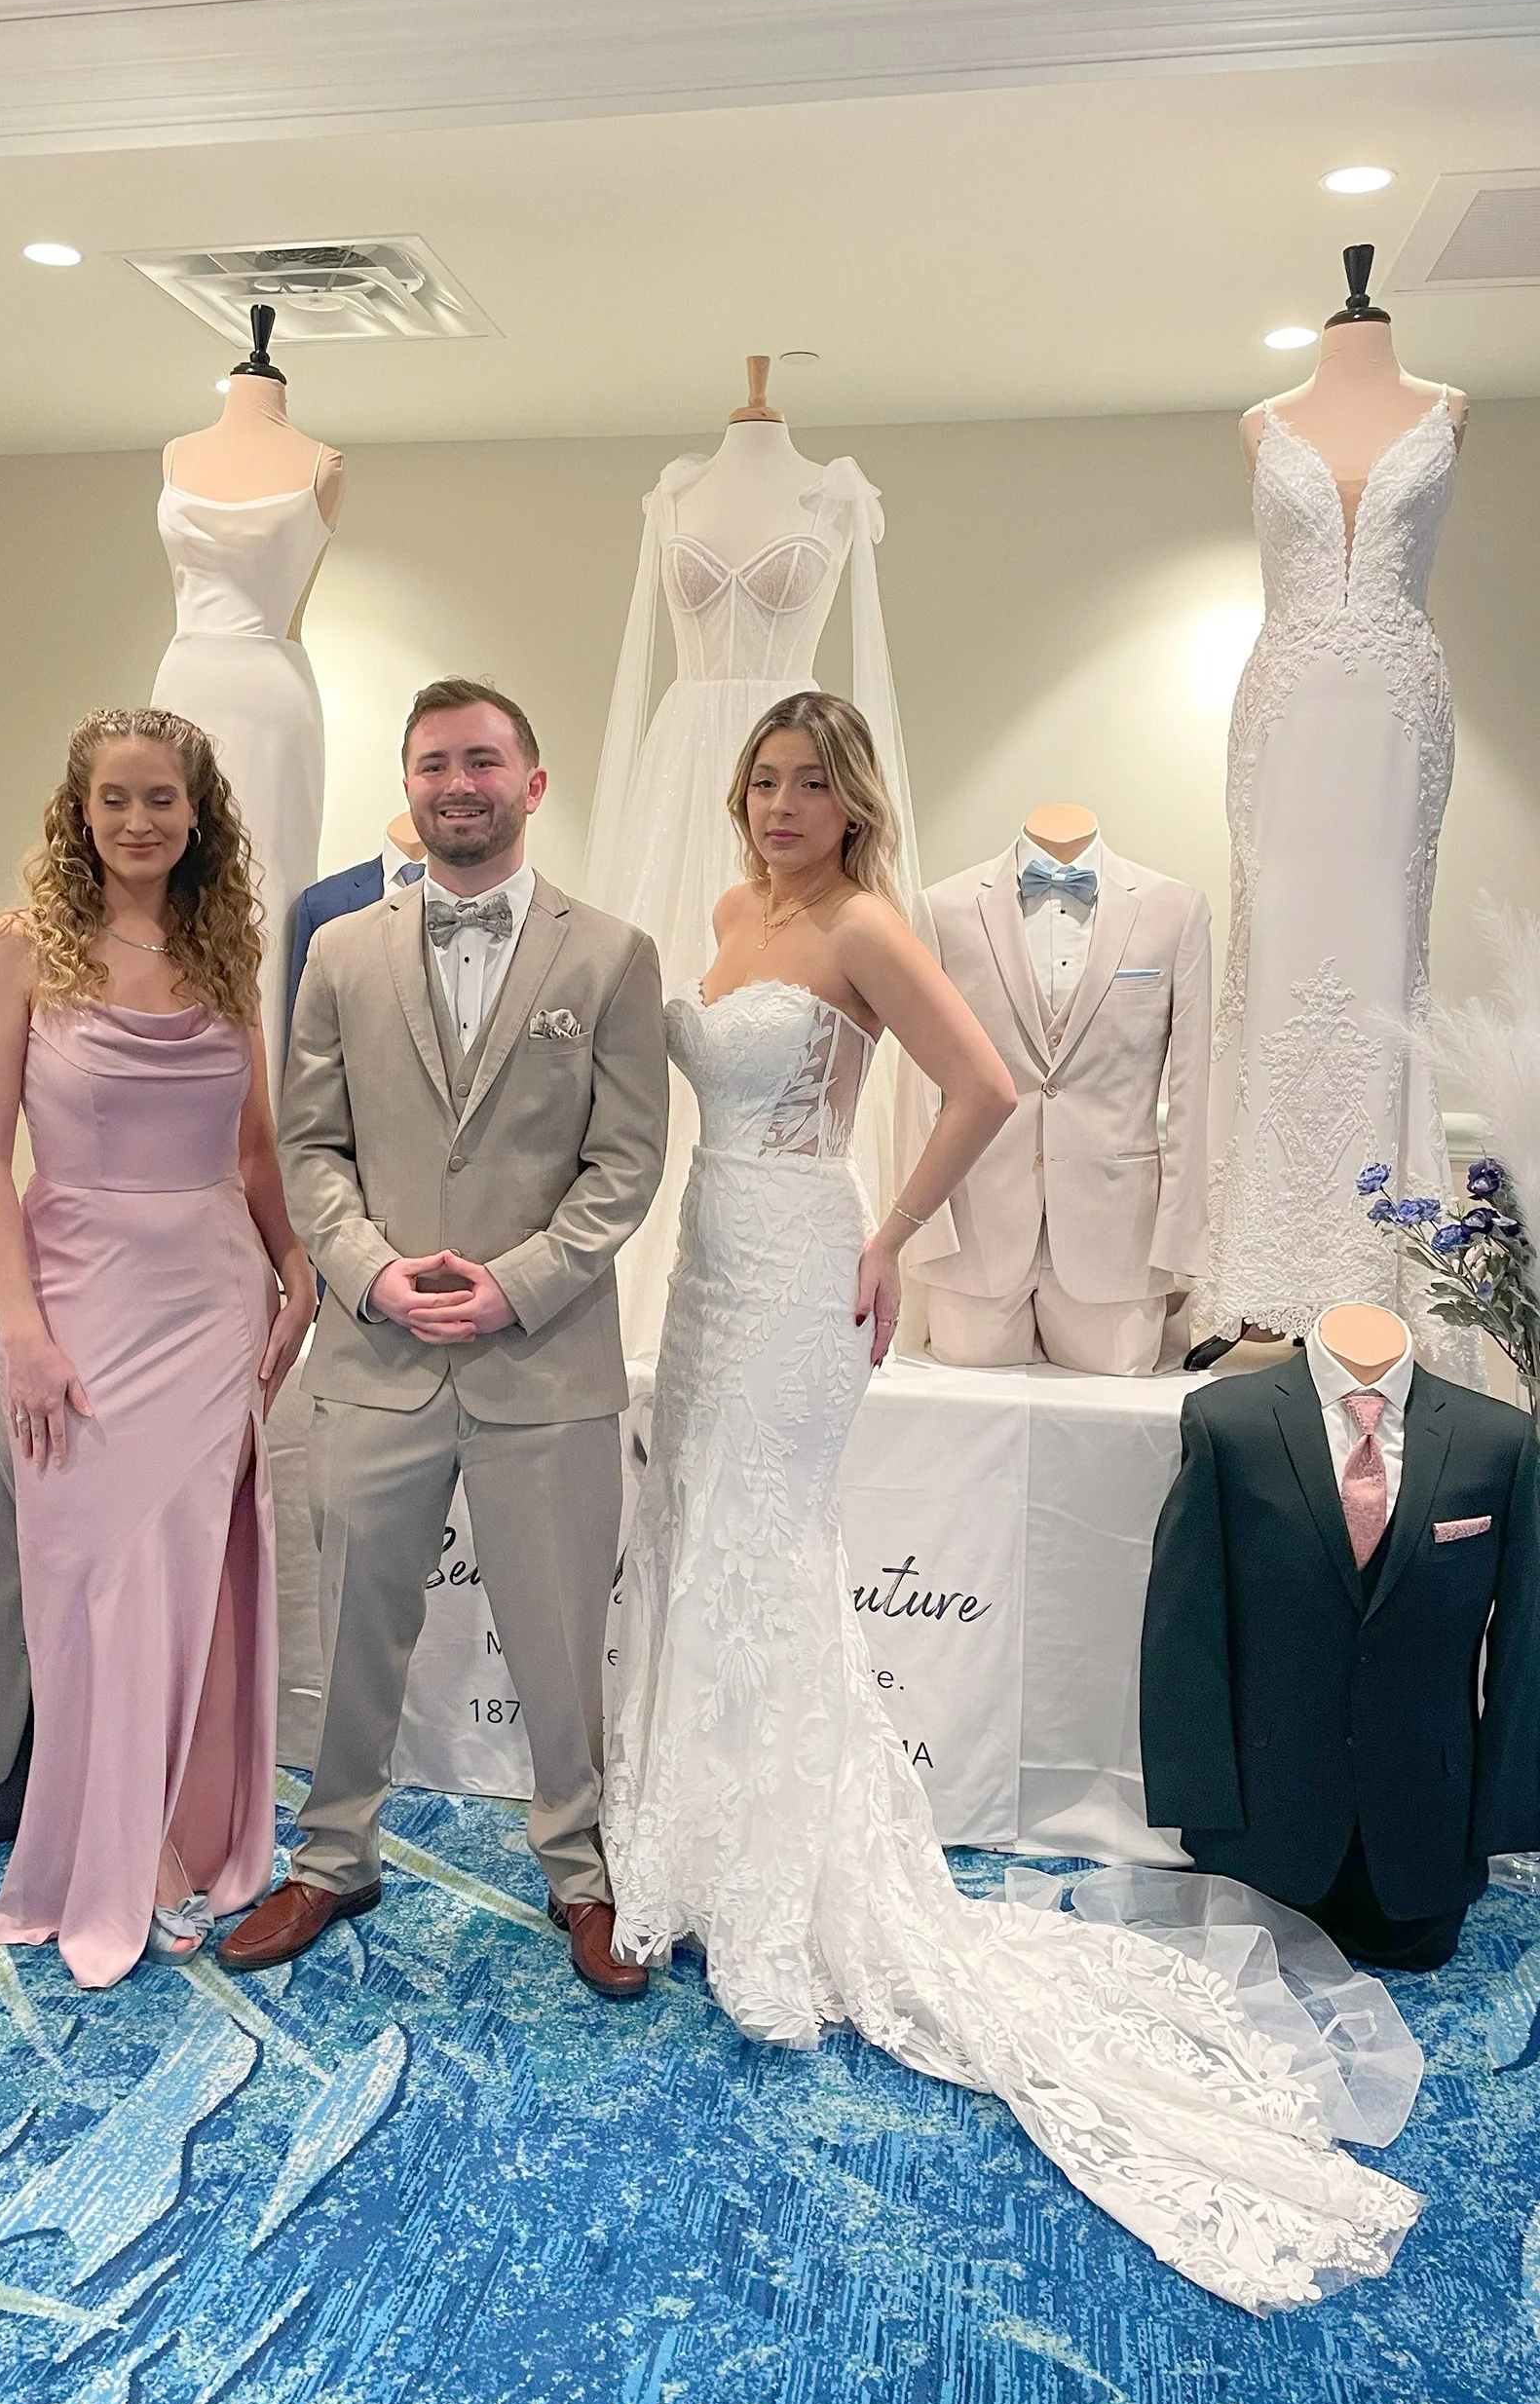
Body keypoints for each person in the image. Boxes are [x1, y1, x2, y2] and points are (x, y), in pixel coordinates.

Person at [603, 691, 1425, 2312]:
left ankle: (776, 1896)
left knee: (767, 1552)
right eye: (763, 780)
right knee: (694, 1544)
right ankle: (687, 1850)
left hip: (803, 1267)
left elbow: (978, 1086)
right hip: (707, 1263)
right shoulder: (730, 912)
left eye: (810, 783)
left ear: (854, 802)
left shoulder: (865, 925)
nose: (781, 804)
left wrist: (887, 1234)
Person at [218, 678, 668, 1999]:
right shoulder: (339, 951)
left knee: (559, 1640)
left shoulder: (614, 956)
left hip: (548, 1361)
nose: (457, 785)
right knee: (356, 1630)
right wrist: (371, 1273)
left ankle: (580, 1870)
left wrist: (517, 1284)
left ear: (532, 782)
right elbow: (311, 1150)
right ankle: (334, 1854)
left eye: (482, 761)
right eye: (433, 764)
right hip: (378, 1359)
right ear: (408, 785)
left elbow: (627, 1162)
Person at [0, 709, 314, 1988]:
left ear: (197, 813)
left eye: (162, 798)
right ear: (81, 810)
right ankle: (125, 1854)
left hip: (212, 1303)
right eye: (115, 798)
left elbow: (255, 1146)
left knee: (192, 1581)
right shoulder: (20, 950)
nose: (139, 820)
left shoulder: (223, 950)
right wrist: (24, 1329)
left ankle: (182, 1831)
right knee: (93, 1587)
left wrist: (294, 1260)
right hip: (81, 1304)